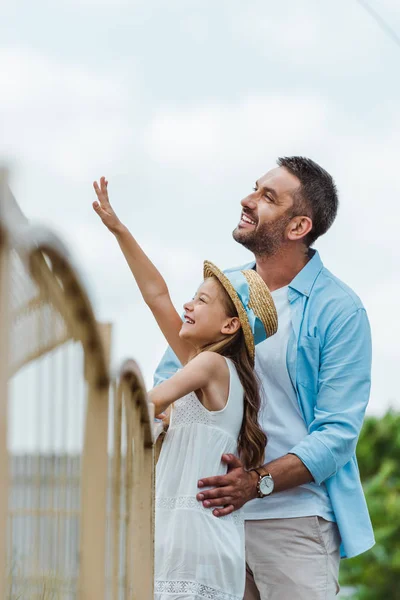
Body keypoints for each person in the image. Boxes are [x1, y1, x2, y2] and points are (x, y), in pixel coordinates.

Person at [154, 156, 375, 599]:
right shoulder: (222, 291)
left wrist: (256, 483)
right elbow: (173, 374)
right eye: (255, 188)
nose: (247, 200)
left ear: (298, 227)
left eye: (267, 197)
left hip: (292, 524)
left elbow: (336, 435)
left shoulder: (340, 311)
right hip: (203, 519)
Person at [92, 176, 278, 600]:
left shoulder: (211, 365)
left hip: (194, 547)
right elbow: (157, 295)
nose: (187, 306)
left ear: (230, 326)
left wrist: (140, 405)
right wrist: (119, 229)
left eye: (201, 301)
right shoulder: (209, 365)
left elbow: (150, 398)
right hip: (193, 541)